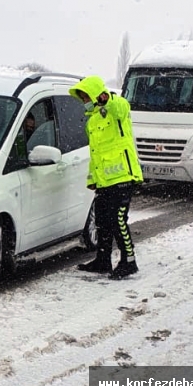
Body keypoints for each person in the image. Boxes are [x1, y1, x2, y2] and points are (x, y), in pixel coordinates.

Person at [69, 76, 144, 280]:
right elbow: (96, 154)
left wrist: (106, 99)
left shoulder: (116, 109)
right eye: (82, 97)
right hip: (104, 181)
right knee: (102, 220)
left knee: (118, 220)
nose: (83, 100)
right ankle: (103, 261)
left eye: (86, 95)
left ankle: (129, 261)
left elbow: (121, 106)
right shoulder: (93, 121)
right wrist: (92, 179)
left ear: (96, 94)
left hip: (123, 177)